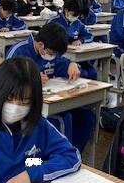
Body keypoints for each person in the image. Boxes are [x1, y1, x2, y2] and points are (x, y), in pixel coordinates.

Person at [7, 23, 94, 152]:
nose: (52, 56)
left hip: (51, 100)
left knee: (87, 116)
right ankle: (62, 154)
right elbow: (6, 82)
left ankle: (74, 153)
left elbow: (62, 64)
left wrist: (72, 65)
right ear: (41, 45)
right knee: (64, 118)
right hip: (25, 105)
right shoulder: (19, 51)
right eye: (52, 53)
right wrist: (30, 79)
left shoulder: (51, 51)